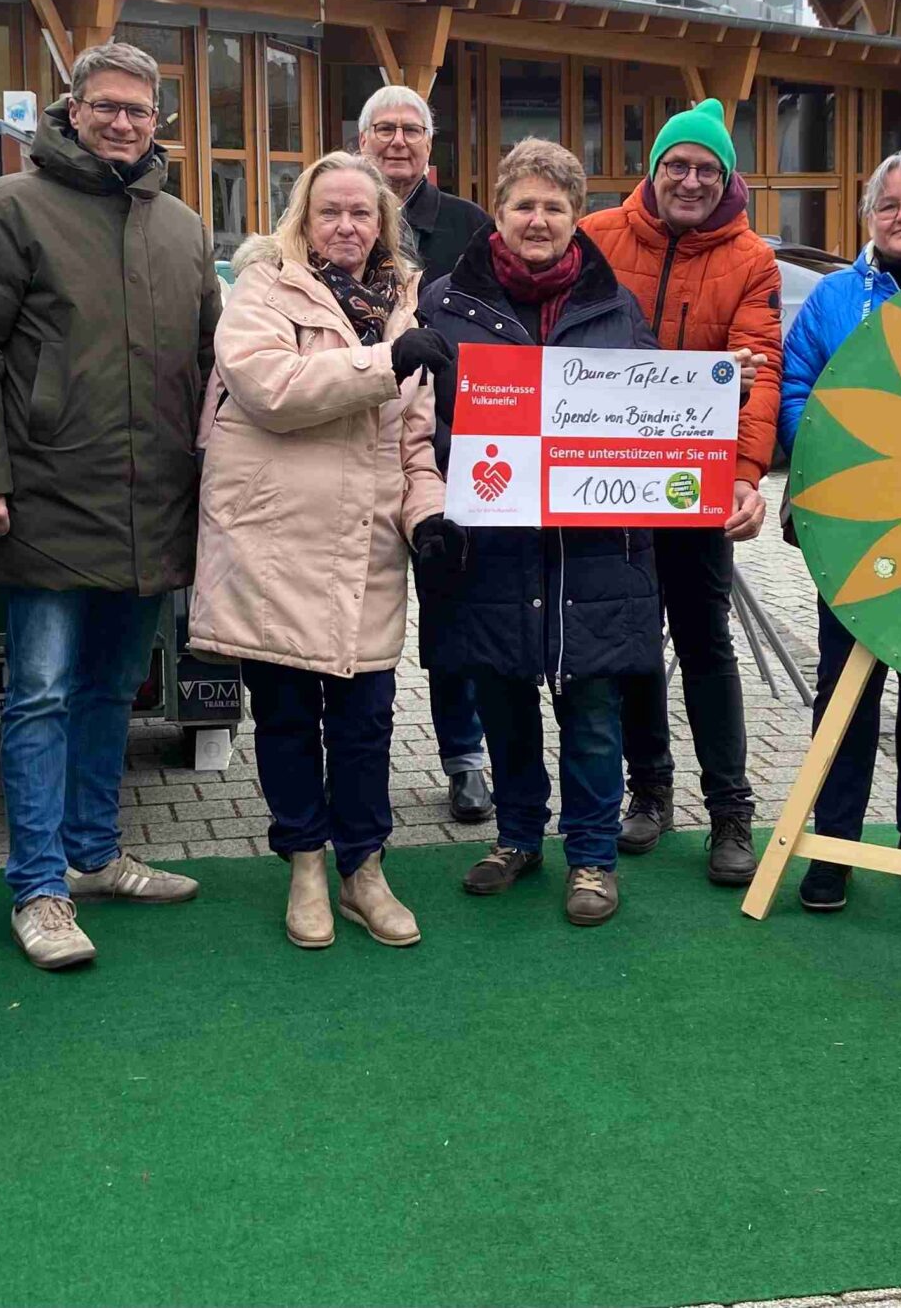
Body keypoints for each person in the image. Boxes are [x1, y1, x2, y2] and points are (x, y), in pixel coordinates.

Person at [0, 41, 223, 971]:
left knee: (111, 689)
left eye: (140, 110)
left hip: (155, 499)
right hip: (49, 492)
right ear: (72, 108)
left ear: (157, 121)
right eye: (107, 106)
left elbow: (218, 362)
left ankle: (94, 855)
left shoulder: (183, 226)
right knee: (43, 697)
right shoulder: (9, 207)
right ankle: (39, 887)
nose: (124, 122)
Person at [191, 152, 451, 948]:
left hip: (366, 544)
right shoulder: (262, 288)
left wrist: (430, 517)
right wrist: (384, 362)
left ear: (384, 223)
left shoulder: (407, 303)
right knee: (286, 716)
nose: (345, 225)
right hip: (275, 542)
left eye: (361, 213)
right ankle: (305, 862)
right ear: (302, 219)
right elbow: (271, 388)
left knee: (368, 719)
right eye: (329, 211)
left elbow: (415, 439)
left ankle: (364, 868)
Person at [415, 139, 661, 927]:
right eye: (524, 204)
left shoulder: (616, 307)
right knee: (504, 697)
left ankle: (591, 857)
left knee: (592, 708)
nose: (539, 219)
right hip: (490, 543)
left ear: (575, 216)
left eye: (555, 206)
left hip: (592, 548)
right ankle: (518, 837)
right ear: (499, 211)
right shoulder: (445, 303)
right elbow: (422, 418)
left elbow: (651, 422)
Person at [579, 99, 781, 886]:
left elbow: (756, 372)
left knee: (705, 645)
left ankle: (731, 809)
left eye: (706, 168)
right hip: (610, 481)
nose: (690, 180)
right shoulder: (598, 235)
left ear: (726, 177)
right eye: (677, 165)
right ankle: (649, 791)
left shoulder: (751, 259)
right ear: (653, 171)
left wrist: (742, 477)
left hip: (692, 487)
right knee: (631, 646)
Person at [777, 149, 901, 911]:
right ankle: (835, 844)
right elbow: (798, 385)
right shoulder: (833, 297)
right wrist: (833, 459)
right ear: (868, 217)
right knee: (846, 687)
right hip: (853, 525)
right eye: (888, 204)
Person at [356, 84, 496, 825]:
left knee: (452, 613)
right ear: (361, 141)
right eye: (384, 129)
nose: (398, 141)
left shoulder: (471, 227)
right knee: (355, 611)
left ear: (430, 145)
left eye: (412, 129)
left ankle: (465, 759)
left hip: (453, 450)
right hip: (354, 445)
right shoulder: (338, 215)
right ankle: (355, 764)